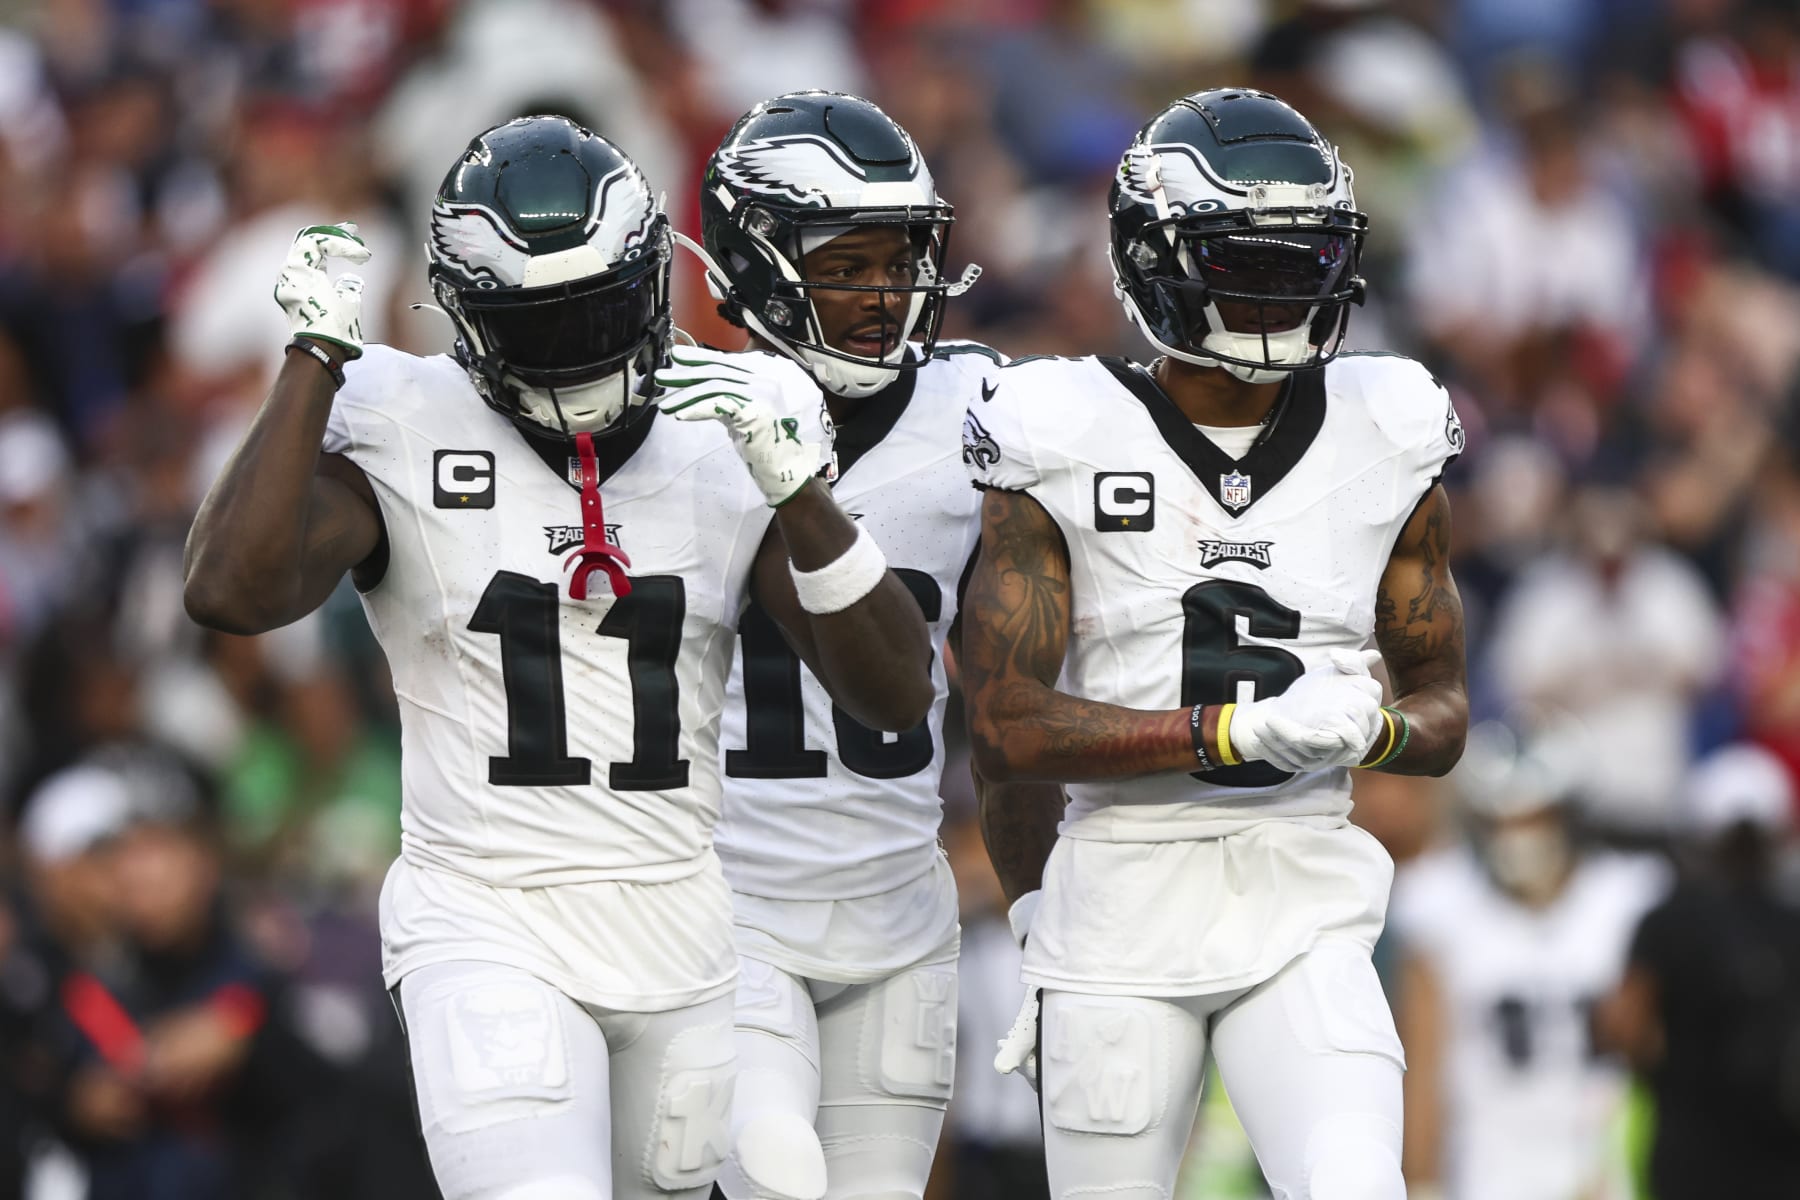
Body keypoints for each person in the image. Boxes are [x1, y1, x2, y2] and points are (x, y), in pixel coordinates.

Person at [182, 114, 936, 1200]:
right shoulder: (401, 413)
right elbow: (230, 592)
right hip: (486, 912)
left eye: (599, 308)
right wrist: (311, 361)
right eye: (540, 322)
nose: (580, 347)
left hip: (682, 923)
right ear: (468, 316)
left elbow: (897, 694)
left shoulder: (726, 422)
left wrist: (798, 495)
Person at [959, 88, 1469, 1200]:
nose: (1286, 289)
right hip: (1119, 903)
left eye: (1306, 259)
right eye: (1249, 259)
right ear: (1157, 260)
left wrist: (1369, 732)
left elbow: (1442, 716)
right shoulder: (1060, 427)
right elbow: (1003, 723)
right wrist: (1235, 733)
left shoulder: (1388, 423)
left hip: (1306, 894)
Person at [679, 90, 1046, 1200]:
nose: (886, 295)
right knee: (775, 1175)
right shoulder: (670, 422)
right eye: (849, 265)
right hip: (722, 905)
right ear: (755, 264)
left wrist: (1042, 921)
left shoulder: (985, 414)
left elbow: (1012, 710)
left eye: (901, 262)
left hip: (899, 907)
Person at [1392, 723, 1666, 1200]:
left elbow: (1659, 1048)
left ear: (1568, 817)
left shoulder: (1629, 900)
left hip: (1607, 1165)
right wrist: (1421, 1182)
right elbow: (1422, 1068)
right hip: (1489, 1172)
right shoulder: (1441, 907)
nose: (1519, 839)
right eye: (1502, 821)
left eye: (1534, 818)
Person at [1599, 742, 1800, 1199]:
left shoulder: (1667, 920)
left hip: (1686, 1157)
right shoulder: (1795, 924)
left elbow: (1626, 1029)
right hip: (1784, 1162)